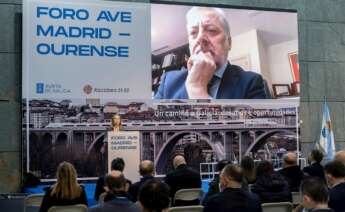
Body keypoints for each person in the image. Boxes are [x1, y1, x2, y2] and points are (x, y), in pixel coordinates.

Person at [154, 7, 268, 99]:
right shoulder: (168, 81)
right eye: (193, 33)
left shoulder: (252, 83)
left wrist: (197, 91)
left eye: (212, 30)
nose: (200, 38)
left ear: (229, 42)